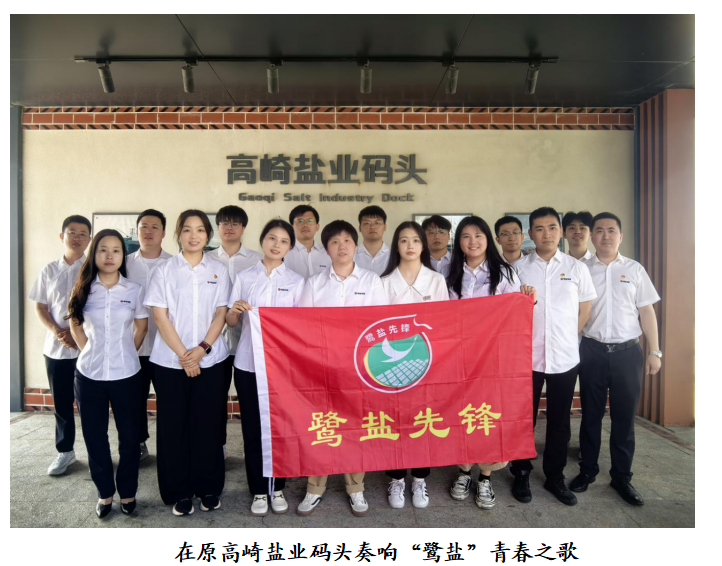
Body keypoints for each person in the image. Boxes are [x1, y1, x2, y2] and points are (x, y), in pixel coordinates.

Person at [296, 220, 387, 517]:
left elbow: (380, 325)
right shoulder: (314, 283)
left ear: (355, 245)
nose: (341, 246)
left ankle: (355, 488)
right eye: (334, 242)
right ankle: (314, 488)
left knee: (356, 426)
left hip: (359, 368)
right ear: (327, 249)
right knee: (322, 423)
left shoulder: (371, 281)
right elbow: (304, 327)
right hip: (322, 366)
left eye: (347, 240)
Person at [569, 212, 661, 506]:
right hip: (592, 351)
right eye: (599, 230)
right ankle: (587, 470)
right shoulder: (581, 269)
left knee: (624, 419)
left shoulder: (634, 269)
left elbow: (647, 311)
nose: (605, 235)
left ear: (620, 236)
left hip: (628, 354)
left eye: (611, 230)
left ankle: (621, 477)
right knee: (590, 416)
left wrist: (655, 351)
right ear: (592, 236)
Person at [445, 216, 536, 509]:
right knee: (461, 414)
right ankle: (463, 471)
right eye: (466, 236)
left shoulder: (504, 273)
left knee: (488, 415)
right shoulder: (450, 274)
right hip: (460, 358)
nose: (472, 242)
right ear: (459, 242)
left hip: (493, 360)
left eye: (478, 236)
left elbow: (515, 314)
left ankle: (485, 476)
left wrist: (527, 298)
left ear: (487, 239)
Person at [144, 210, 231, 517]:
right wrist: (185, 355)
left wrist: (202, 349)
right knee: (173, 427)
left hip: (212, 360)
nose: (194, 236)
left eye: (200, 230)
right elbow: (160, 316)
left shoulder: (219, 269)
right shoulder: (165, 270)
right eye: (187, 230)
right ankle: (178, 491)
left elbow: (221, 312)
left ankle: (208, 488)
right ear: (178, 234)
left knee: (208, 425)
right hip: (170, 364)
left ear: (208, 235)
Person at [509, 207, 596, 506]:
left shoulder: (576, 268)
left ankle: (554, 476)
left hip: (564, 358)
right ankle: (521, 472)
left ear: (560, 232)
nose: (546, 234)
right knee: (524, 419)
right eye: (539, 228)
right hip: (527, 358)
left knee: (560, 422)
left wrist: (570, 336)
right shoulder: (518, 268)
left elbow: (585, 308)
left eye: (551, 228)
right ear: (530, 234)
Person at [66, 229, 148, 519]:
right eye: (103, 249)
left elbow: (141, 328)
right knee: (94, 437)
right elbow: (76, 324)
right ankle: (104, 493)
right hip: (89, 375)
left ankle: (128, 492)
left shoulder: (134, 289)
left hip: (127, 374)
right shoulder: (83, 288)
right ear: (94, 254)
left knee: (130, 438)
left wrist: (125, 352)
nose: (110, 255)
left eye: (116, 250)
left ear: (123, 255)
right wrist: (90, 350)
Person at [226, 219, 304, 517]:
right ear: (262, 240)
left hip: (281, 368)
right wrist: (235, 311)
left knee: (279, 428)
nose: (276, 245)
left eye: (283, 241)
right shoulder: (245, 276)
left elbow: (300, 327)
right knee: (252, 429)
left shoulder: (296, 281)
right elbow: (231, 321)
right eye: (272, 238)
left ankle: (278, 487)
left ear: (289, 247)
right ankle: (259, 489)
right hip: (248, 363)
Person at [380, 221, 449, 510]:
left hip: (427, 361)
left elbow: (443, 323)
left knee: (423, 419)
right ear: (396, 246)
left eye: (416, 240)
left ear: (423, 245)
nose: (410, 245)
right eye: (404, 240)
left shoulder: (436, 280)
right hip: (391, 364)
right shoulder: (383, 282)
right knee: (394, 420)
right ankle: (396, 478)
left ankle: (420, 478)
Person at [28, 214, 91, 476]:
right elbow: (40, 307)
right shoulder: (49, 270)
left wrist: (77, 335)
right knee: (62, 404)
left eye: (83, 234)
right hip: (55, 349)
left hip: (86, 348)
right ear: (62, 236)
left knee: (90, 404)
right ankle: (65, 451)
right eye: (72, 232)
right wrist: (58, 332)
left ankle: (96, 453)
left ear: (89, 239)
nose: (77, 238)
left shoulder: (93, 270)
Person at [206, 205, 261, 458]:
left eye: (235, 223)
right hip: (213, 340)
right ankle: (218, 447)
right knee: (215, 398)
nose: (229, 227)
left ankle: (256, 451)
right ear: (217, 227)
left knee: (249, 399)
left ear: (243, 228)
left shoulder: (256, 260)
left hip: (248, 342)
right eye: (224, 223)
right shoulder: (206, 259)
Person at [125, 209, 173, 462]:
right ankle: (139, 442)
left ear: (163, 233)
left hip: (166, 347)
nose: (149, 231)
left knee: (169, 401)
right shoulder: (124, 263)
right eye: (144, 226)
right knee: (134, 400)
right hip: (133, 345)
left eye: (155, 227)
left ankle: (170, 445)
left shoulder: (174, 263)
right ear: (137, 231)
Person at [284, 204, 331, 279]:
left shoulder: (328, 253)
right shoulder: (284, 253)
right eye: (300, 221)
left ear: (317, 227)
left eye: (310, 221)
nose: (305, 225)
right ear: (292, 227)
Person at [354, 205, 390, 275]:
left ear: (385, 227)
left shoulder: (394, 255)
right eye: (367, 223)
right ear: (360, 228)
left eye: (377, 223)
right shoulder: (350, 255)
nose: (372, 227)